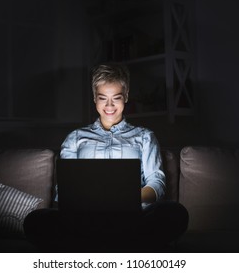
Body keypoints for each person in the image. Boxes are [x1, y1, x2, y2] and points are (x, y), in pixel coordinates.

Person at [24, 63, 188, 252]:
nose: (109, 106)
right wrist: (82, 201)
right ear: (94, 98)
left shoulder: (144, 137)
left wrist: (126, 198)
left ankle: (97, 245)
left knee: (175, 213)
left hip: (132, 218)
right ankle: (120, 245)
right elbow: (64, 189)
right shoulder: (76, 138)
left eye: (116, 98)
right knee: (36, 221)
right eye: (103, 98)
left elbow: (157, 182)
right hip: (85, 219)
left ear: (125, 97)